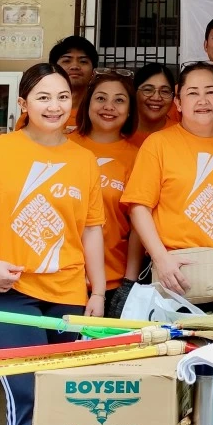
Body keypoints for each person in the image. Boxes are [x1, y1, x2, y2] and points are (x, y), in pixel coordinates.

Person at [0, 63, 107, 425]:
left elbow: (92, 229)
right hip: (9, 290)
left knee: (59, 397)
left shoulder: (84, 160)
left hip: (69, 292)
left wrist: (98, 292)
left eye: (62, 96)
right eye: (42, 97)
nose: (54, 105)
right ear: (23, 104)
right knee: (26, 394)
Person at [121, 62, 213, 311]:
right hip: (176, 274)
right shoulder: (159, 144)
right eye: (192, 93)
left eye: (210, 91)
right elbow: (139, 207)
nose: (203, 100)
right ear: (178, 102)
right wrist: (160, 258)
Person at [70, 70, 143, 316]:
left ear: (130, 109)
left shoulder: (138, 157)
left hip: (113, 278)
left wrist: (129, 283)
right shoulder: (62, 146)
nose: (109, 107)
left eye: (119, 100)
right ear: (87, 103)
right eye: (101, 98)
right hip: (60, 279)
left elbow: (137, 227)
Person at [14, 36, 101, 131]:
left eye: (83, 61)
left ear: (93, 72)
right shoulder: (32, 117)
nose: (75, 66)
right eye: (67, 61)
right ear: (53, 69)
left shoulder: (100, 114)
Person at [130, 63, 178, 147]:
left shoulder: (181, 134)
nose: (156, 97)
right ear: (134, 92)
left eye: (165, 91)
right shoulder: (118, 132)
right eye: (148, 90)